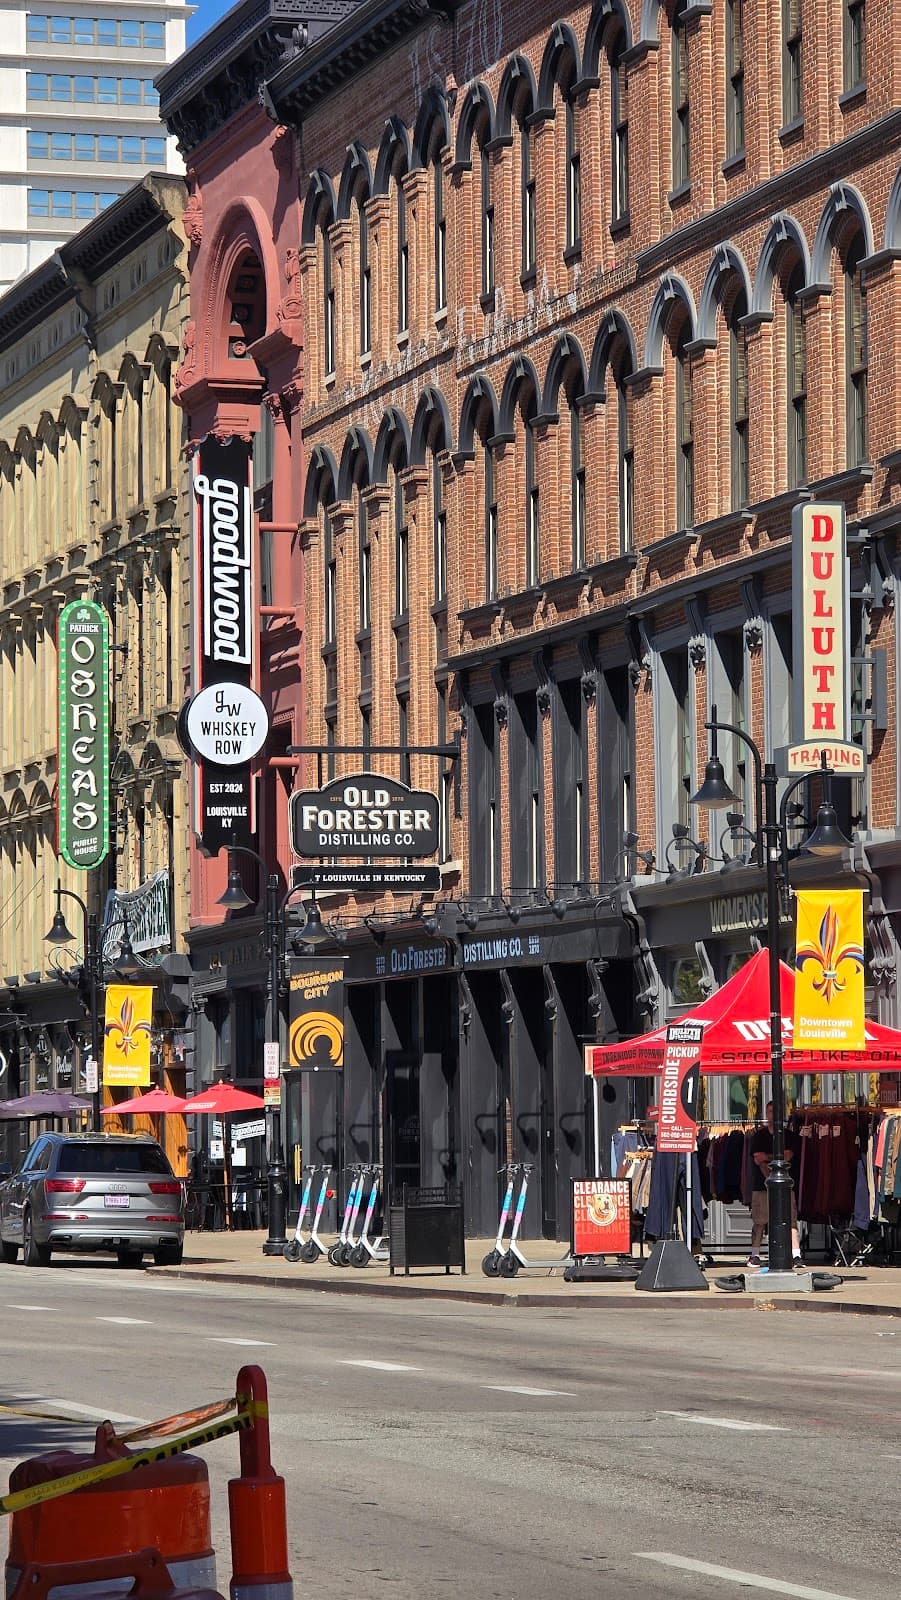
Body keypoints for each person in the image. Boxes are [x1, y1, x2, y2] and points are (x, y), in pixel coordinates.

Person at [748, 1100, 804, 1268]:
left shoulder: (790, 1136)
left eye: (776, 1112)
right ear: (766, 1114)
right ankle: (754, 1255)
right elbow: (758, 1158)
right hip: (761, 1186)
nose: (773, 1115)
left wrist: (768, 1157)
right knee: (759, 1220)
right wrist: (770, 1176)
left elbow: (787, 1156)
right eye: (770, 1111)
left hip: (786, 1186)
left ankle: (796, 1255)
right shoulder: (758, 1136)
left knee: (791, 1220)